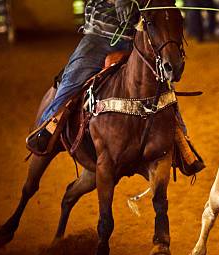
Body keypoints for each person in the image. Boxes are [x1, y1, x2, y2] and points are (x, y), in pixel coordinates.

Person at [27, 0, 140, 153]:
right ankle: (48, 126)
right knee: (75, 75)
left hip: (140, 36)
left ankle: (178, 135)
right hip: (99, 38)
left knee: (160, 74)